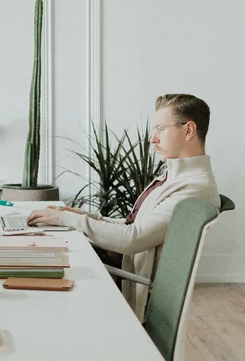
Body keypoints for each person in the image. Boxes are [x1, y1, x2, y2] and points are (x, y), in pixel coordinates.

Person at [28, 93, 220, 316]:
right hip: (119, 273)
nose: (153, 139)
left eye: (160, 129)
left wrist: (65, 219)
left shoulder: (194, 188)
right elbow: (133, 226)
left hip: (124, 286)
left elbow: (132, 239)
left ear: (188, 130)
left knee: (34, 280)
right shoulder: (174, 178)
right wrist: (81, 215)